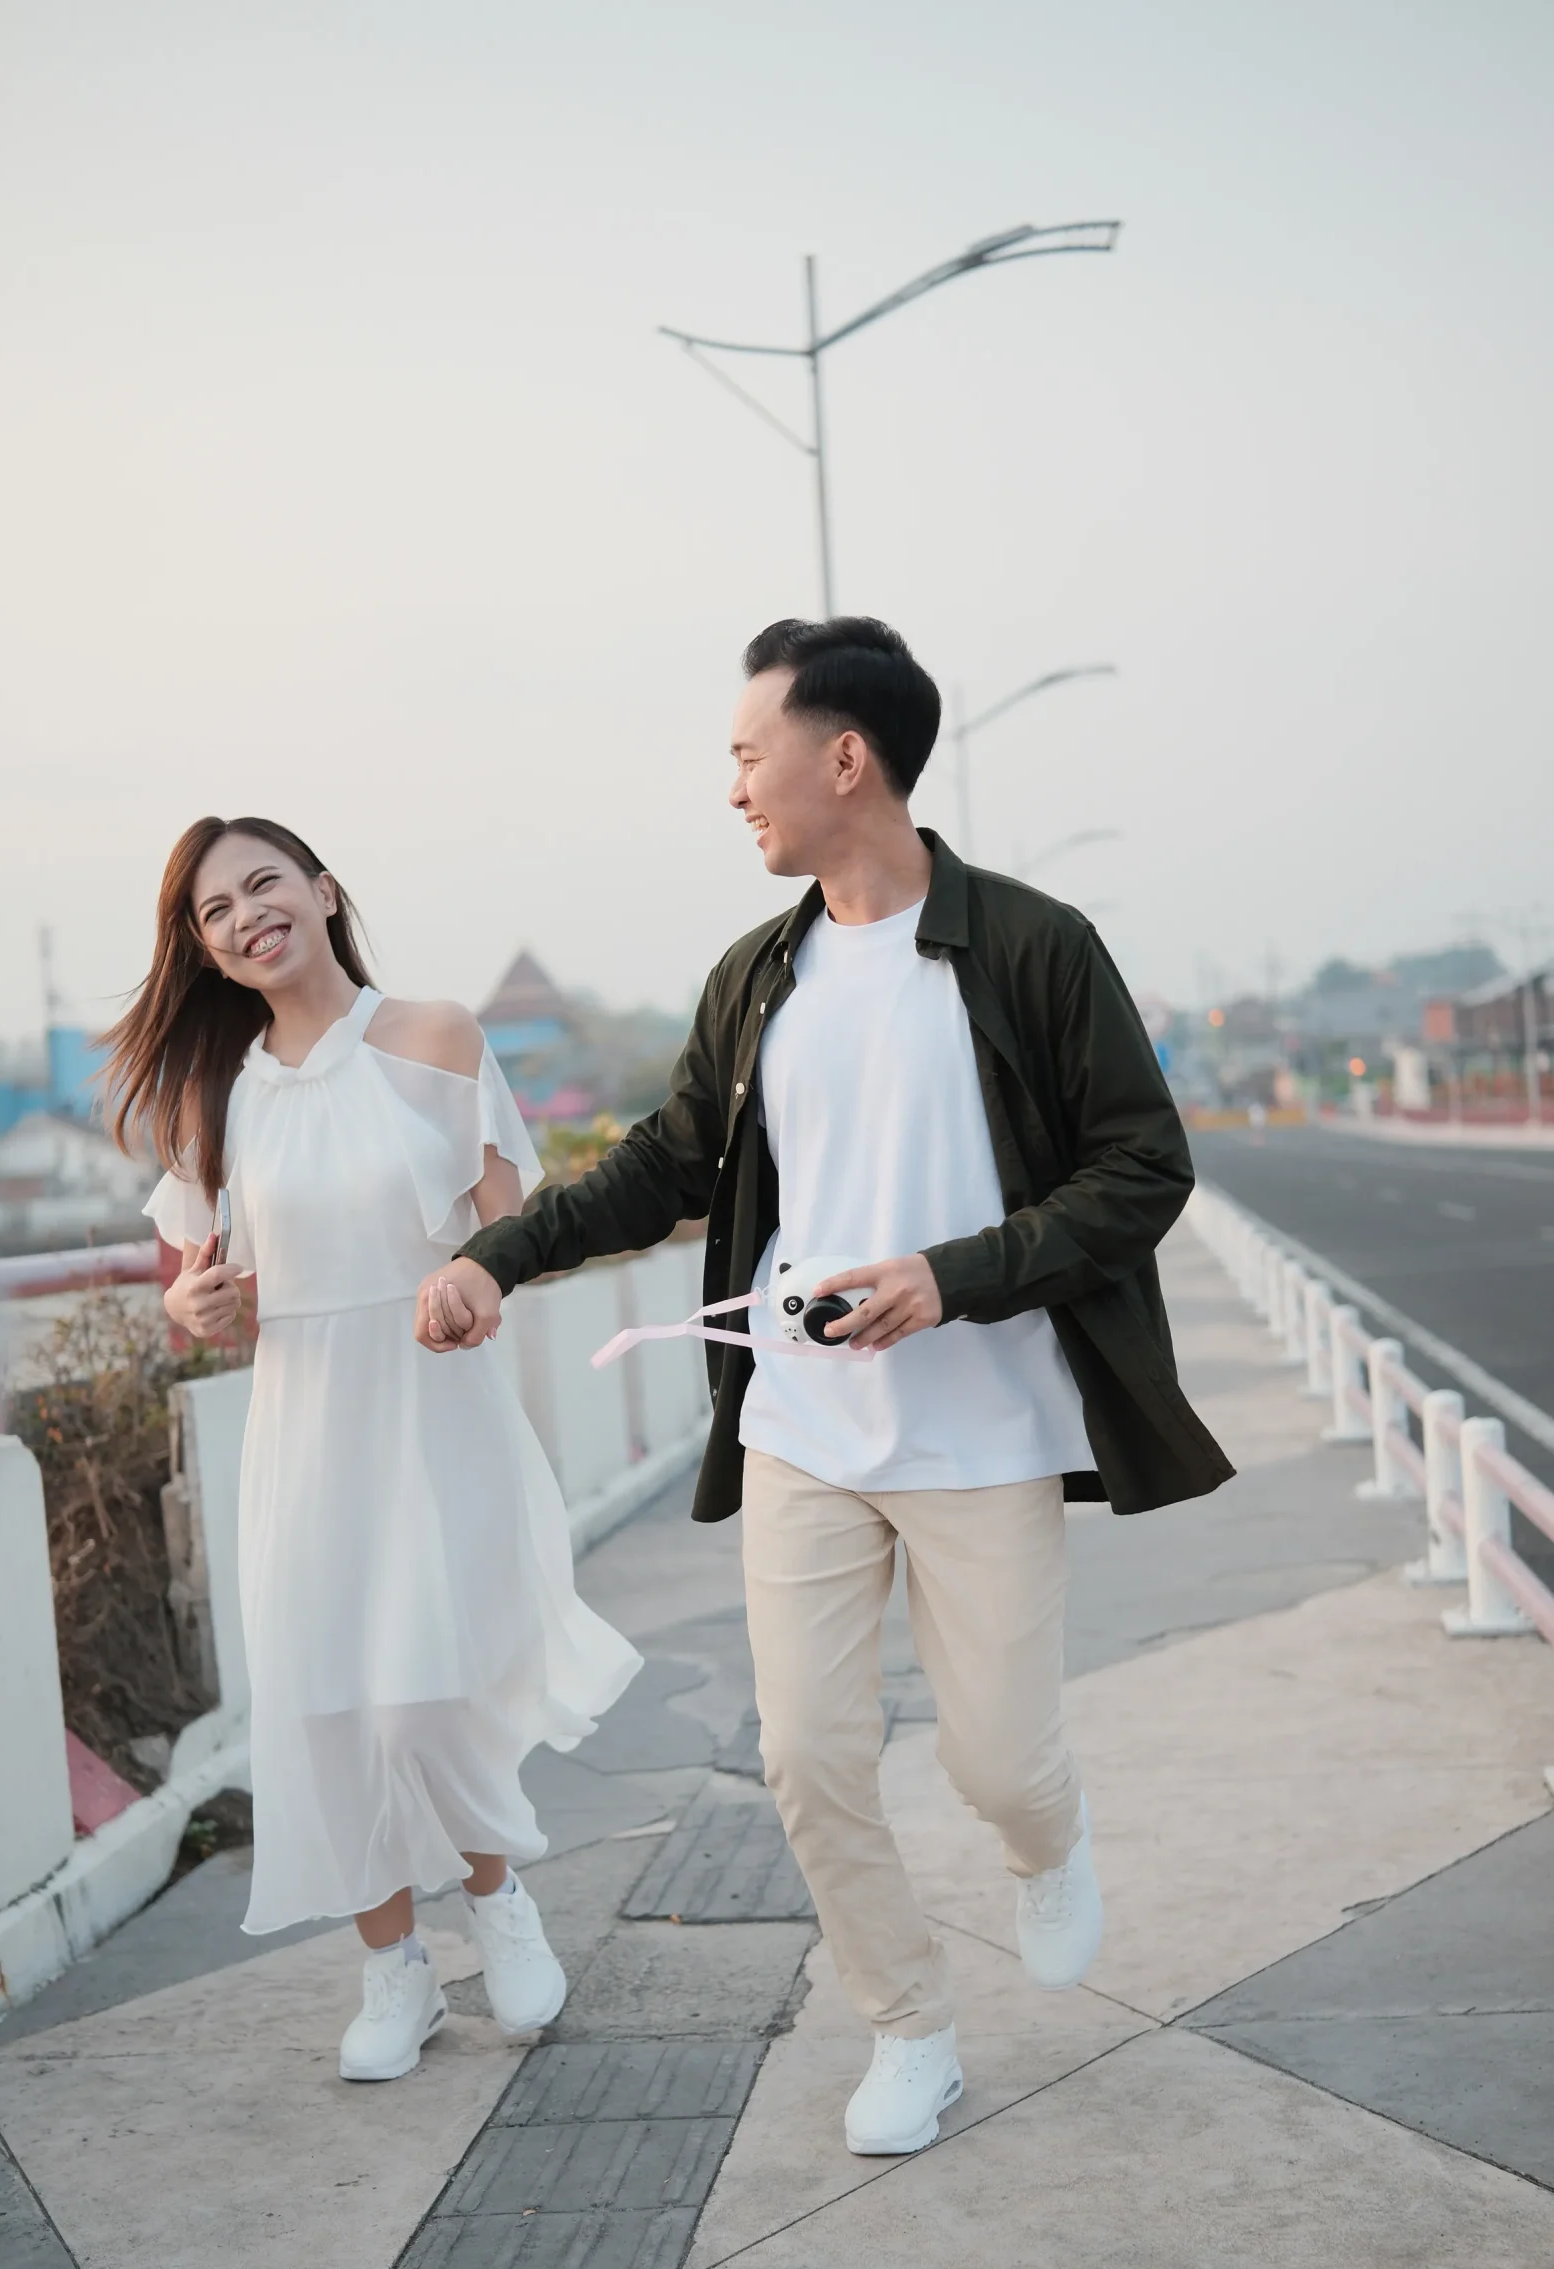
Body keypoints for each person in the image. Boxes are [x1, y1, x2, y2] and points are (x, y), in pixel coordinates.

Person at [416, 618, 1232, 2156]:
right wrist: (497, 1258)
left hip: (981, 1427)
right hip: (800, 1421)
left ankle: (1044, 1838)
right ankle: (907, 2028)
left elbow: (1142, 1166)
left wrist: (951, 1275)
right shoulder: (757, 975)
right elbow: (665, 1162)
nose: (732, 786)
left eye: (748, 754)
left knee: (996, 1756)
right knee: (804, 1757)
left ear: (842, 758)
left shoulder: (1032, 946)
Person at [108, 816, 639, 2082]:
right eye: (215, 911)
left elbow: (510, 1229)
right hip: (303, 1419)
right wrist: (193, 1304)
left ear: (324, 890)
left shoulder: (437, 1036)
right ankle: (393, 1968)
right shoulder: (212, 1093)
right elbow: (192, 1282)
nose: (246, 917)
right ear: (204, 949)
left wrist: (477, 1287)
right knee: (327, 1704)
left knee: (419, 1692)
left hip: (431, 1396)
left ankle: (498, 1904)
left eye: (264, 885)